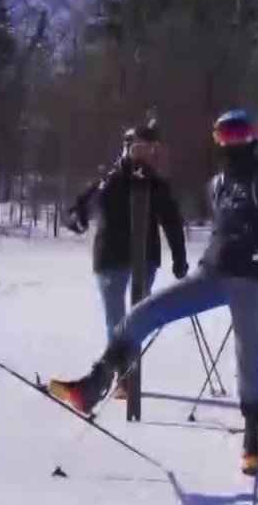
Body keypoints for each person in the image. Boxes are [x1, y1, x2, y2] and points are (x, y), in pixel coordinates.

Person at [49, 109, 258, 476]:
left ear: (252, 137)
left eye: (238, 133)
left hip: (252, 279)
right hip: (212, 273)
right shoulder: (217, 183)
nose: (231, 141)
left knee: (248, 361)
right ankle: (96, 384)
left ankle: (252, 436)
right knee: (140, 315)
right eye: (223, 135)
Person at [64, 122, 187, 343]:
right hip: (111, 258)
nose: (146, 156)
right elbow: (81, 206)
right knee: (117, 322)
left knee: (137, 320)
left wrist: (180, 258)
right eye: (140, 149)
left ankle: (129, 368)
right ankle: (122, 373)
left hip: (145, 258)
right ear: (127, 149)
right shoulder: (110, 181)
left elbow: (172, 222)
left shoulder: (157, 186)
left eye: (152, 150)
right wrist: (78, 218)